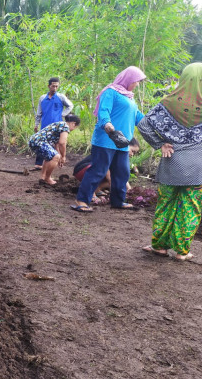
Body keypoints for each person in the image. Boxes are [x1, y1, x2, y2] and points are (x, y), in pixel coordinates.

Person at [137, 62, 202, 261]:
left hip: (171, 162)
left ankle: (159, 246)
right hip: (197, 167)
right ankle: (182, 251)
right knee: (190, 208)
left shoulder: (167, 103)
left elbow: (143, 124)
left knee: (165, 205)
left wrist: (160, 144)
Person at [72, 66, 147, 213]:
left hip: (122, 142)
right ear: (128, 79)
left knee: (122, 172)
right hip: (106, 140)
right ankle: (81, 200)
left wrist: (155, 122)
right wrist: (107, 124)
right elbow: (103, 110)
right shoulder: (111, 92)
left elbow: (138, 117)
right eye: (136, 81)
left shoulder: (130, 98)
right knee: (98, 171)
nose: (137, 85)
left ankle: (118, 201)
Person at [73, 138, 140, 200]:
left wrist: (129, 190)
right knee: (104, 171)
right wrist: (116, 194)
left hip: (94, 171)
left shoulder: (119, 158)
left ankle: (97, 189)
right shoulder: (113, 152)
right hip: (82, 169)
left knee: (117, 180)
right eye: (132, 151)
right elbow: (109, 177)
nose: (132, 154)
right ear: (126, 145)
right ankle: (91, 194)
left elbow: (121, 177)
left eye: (134, 153)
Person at [28, 114, 81, 185]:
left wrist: (60, 156)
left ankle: (43, 177)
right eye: (75, 127)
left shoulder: (60, 124)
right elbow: (62, 143)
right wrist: (63, 156)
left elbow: (57, 145)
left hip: (34, 140)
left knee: (49, 157)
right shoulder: (65, 126)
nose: (73, 129)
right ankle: (47, 178)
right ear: (73, 124)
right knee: (55, 156)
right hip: (39, 141)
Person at [34, 77, 74, 168]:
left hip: (57, 125)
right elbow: (39, 112)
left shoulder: (60, 97)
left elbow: (70, 105)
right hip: (45, 124)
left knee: (58, 143)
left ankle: (58, 161)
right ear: (49, 86)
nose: (55, 88)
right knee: (42, 142)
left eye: (57, 86)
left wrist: (62, 114)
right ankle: (39, 163)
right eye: (53, 86)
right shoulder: (42, 98)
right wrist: (36, 124)